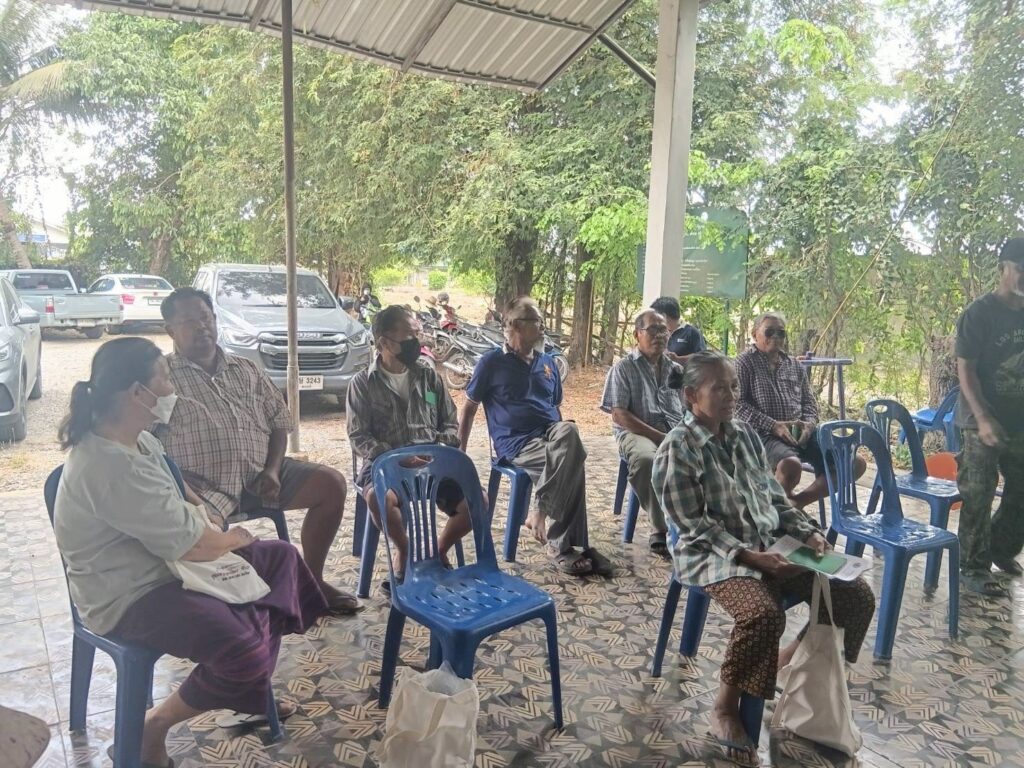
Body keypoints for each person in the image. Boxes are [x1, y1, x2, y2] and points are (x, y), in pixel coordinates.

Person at [54, 338, 327, 768]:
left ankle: (248, 687)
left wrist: (204, 510)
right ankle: (153, 726)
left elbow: (174, 480)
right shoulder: (107, 465)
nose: (171, 387)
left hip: (173, 565)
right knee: (244, 647)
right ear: (137, 392)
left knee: (281, 561)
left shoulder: (137, 440)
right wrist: (234, 538)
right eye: (164, 378)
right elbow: (194, 544)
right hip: (133, 593)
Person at [652, 351, 875, 768]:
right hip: (712, 554)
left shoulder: (743, 436)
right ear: (691, 396)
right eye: (719, 388)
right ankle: (724, 707)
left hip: (769, 543)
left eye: (733, 386)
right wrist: (751, 558)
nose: (730, 395)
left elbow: (774, 498)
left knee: (854, 594)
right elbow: (693, 525)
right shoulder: (677, 448)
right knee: (761, 613)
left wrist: (807, 531)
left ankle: (785, 662)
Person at [156, 288, 359, 615]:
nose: (202, 327)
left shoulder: (245, 368)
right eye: (190, 321)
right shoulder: (162, 379)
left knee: (331, 484)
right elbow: (146, 445)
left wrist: (273, 469)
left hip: (261, 476)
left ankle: (312, 581)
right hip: (203, 490)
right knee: (200, 535)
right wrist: (180, 485)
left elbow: (279, 421)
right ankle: (231, 606)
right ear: (170, 330)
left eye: (206, 318)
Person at [459, 296, 612, 577]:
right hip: (517, 442)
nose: (543, 326)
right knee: (572, 463)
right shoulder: (491, 362)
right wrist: (460, 454)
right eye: (537, 321)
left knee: (570, 433)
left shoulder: (548, 362)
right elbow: (469, 408)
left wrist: (561, 441)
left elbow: (555, 407)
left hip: (550, 433)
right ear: (515, 324)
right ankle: (564, 547)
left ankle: (540, 511)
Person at [346, 306, 475, 592]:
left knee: (478, 502)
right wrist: (396, 459)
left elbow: (449, 422)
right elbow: (358, 435)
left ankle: (438, 551)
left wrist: (438, 450)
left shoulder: (428, 376)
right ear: (383, 341)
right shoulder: (362, 384)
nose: (418, 341)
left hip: (432, 463)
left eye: (418, 333)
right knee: (378, 499)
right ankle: (405, 551)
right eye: (409, 335)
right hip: (385, 464)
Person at [735, 311, 865, 508]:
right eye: (769, 332)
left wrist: (809, 425)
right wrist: (773, 425)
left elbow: (810, 403)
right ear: (755, 334)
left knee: (854, 462)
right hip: (763, 434)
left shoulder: (794, 365)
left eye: (781, 333)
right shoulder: (744, 363)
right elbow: (737, 405)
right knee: (791, 466)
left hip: (800, 434)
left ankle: (795, 504)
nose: (776, 337)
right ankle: (775, 510)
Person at [954, 237, 1024, 596]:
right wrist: (983, 418)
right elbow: (966, 370)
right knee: (978, 492)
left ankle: (1000, 547)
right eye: (1020, 269)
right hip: (977, 418)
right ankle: (972, 565)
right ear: (1002, 269)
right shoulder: (980, 314)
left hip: (1017, 421)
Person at [600, 309, 685, 558]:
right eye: (653, 329)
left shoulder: (675, 369)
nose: (660, 335)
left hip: (672, 430)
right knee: (648, 460)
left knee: (707, 454)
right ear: (637, 334)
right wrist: (659, 437)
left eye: (664, 330)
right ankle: (660, 527)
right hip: (635, 430)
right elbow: (619, 415)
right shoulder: (623, 368)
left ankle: (696, 523)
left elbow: (687, 407)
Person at [651, 296, 706, 365]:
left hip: (684, 371)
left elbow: (703, 357)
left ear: (664, 316)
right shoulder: (658, 332)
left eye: (656, 316)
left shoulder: (691, 332)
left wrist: (678, 359)